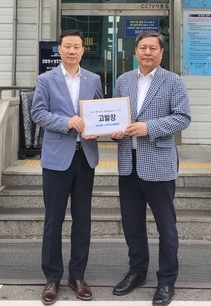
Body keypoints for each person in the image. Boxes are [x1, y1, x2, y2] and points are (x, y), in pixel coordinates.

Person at [109, 31, 191, 306]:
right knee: (132, 225)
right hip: (128, 165)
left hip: (158, 164)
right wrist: (114, 132)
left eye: (152, 48)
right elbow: (115, 116)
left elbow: (182, 117)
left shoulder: (173, 81)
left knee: (166, 227)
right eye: (142, 47)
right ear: (135, 51)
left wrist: (149, 128)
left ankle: (166, 280)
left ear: (161, 52)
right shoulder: (123, 80)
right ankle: (137, 271)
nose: (147, 52)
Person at [31, 29, 104, 305]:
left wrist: (103, 126)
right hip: (56, 159)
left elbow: (100, 111)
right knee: (54, 220)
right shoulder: (45, 79)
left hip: (85, 157)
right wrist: (66, 122)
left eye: (77, 46)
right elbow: (37, 113)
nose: (72, 51)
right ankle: (52, 278)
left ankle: (77, 276)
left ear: (83, 50)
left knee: (82, 219)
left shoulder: (93, 79)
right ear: (59, 49)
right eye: (67, 46)